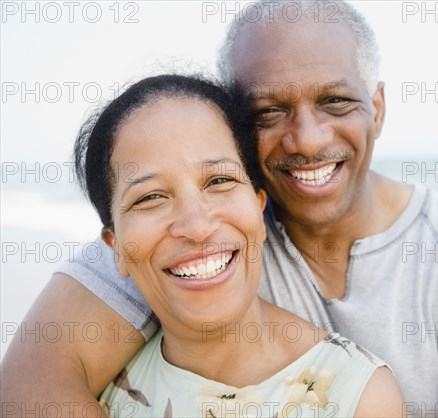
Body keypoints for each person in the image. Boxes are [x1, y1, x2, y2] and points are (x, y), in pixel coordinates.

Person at [1, 1, 438, 417]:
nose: (308, 140)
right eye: (269, 111)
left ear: (378, 108)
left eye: (336, 101)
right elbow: (30, 388)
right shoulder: (202, 238)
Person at [76, 73, 405, 417]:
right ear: (116, 247)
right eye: (151, 197)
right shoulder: (90, 391)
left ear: (259, 207)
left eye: (220, 180)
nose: (197, 226)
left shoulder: (357, 396)